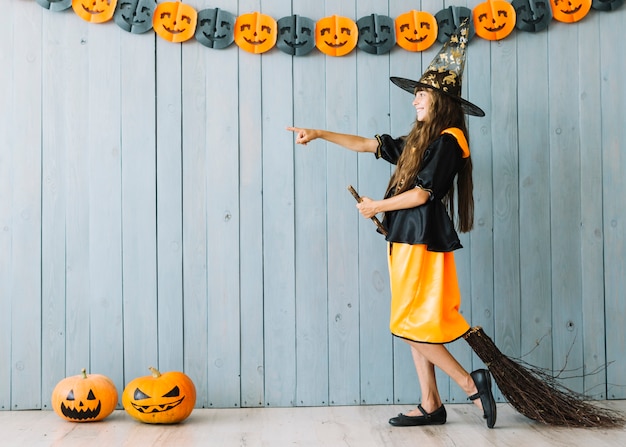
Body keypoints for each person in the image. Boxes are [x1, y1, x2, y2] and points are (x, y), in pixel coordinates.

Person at [287, 21, 497, 429]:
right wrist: (319, 133)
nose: (415, 100)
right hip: (405, 241)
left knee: (407, 322)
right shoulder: (422, 142)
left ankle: (470, 383)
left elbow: (422, 194)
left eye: (421, 94)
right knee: (411, 321)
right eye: (416, 94)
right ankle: (431, 403)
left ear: (441, 100)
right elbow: (370, 144)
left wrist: (376, 205)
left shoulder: (451, 140)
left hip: (421, 242)